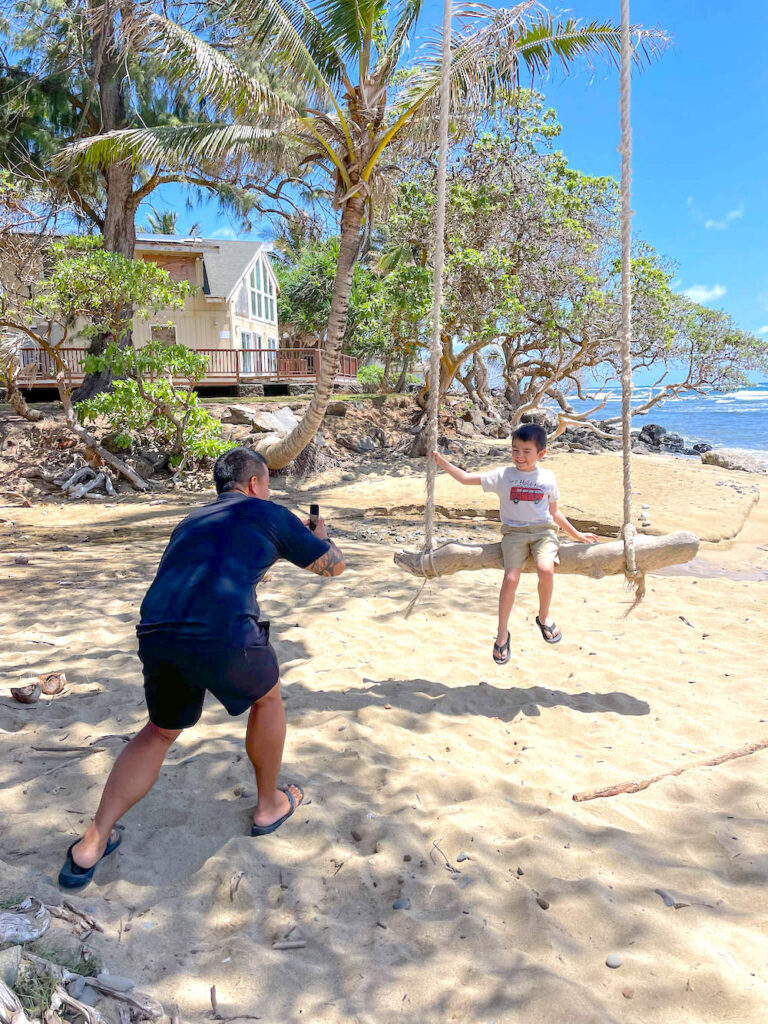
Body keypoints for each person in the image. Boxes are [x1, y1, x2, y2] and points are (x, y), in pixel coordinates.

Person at [58, 447, 345, 890]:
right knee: (267, 699)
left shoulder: (190, 522)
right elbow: (333, 568)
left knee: (159, 731)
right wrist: (323, 537)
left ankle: (92, 841)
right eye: (267, 483)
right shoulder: (267, 511)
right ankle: (268, 805)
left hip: (156, 631)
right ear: (254, 484)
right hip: (222, 632)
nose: (268, 492)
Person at [433, 424, 598, 663]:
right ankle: (502, 633)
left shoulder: (547, 478)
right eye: (515, 450)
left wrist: (576, 534)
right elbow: (466, 478)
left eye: (526, 451)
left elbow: (554, 512)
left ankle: (544, 617)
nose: (519, 456)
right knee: (510, 579)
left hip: (544, 532)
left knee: (545, 568)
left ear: (541, 454)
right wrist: (441, 462)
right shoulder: (504, 476)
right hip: (514, 533)